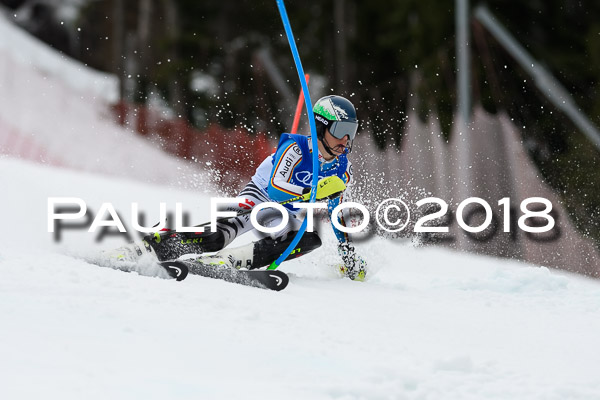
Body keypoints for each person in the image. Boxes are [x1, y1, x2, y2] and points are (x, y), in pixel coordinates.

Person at [109, 95, 367, 281]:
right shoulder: (296, 148)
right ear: (321, 126)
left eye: (351, 132)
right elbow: (276, 191)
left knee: (308, 239)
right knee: (217, 237)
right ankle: (152, 244)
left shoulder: (342, 168)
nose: (346, 140)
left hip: (281, 213)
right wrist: (314, 192)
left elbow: (337, 211)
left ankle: (231, 261)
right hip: (260, 198)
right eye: (341, 130)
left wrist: (347, 253)